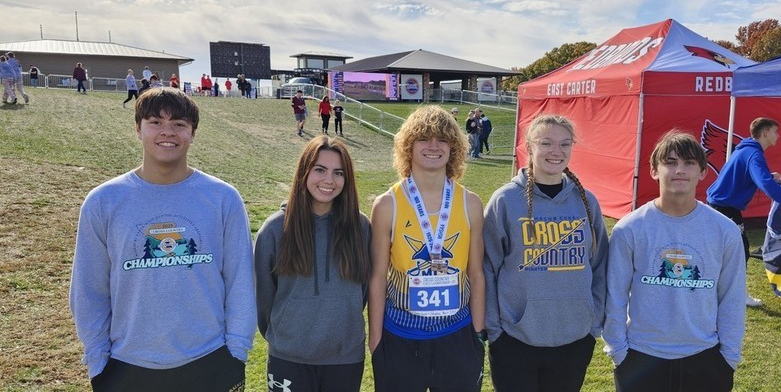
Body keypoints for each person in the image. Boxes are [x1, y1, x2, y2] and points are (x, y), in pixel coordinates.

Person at [69, 87, 256, 391]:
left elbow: (241, 282)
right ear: (138, 129)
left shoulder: (223, 198)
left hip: (210, 361)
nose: (167, 132)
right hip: (127, 366)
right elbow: (88, 291)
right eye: (155, 122)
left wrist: (235, 352)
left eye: (179, 124)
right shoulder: (103, 201)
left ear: (192, 133)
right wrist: (97, 361)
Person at [604, 130, 746, 392]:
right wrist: (618, 352)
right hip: (640, 356)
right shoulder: (629, 229)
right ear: (654, 170)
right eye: (670, 162)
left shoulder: (725, 231)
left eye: (689, 163)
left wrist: (729, 357)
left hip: (706, 357)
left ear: (703, 172)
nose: (679, 170)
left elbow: (732, 297)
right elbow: (615, 296)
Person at [483, 114, 608, 392]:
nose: (557, 152)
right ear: (529, 147)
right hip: (515, 338)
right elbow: (487, 267)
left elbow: (600, 265)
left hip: (574, 337)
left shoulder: (587, 201)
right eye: (546, 143)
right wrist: (495, 329)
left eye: (565, 144)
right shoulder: (505, 200)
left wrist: (592, 323)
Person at [368, 105, 486, 392]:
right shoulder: (387, 205)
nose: (434, 146)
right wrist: (376, 341)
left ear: (453, 148)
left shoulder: (470, 203)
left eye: (442, 139)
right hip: (400, 337)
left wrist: (477, 333)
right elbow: (377, 277)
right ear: (408, 147)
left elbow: (477, 273)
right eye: (424, 138)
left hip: (457, 335)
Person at [254, 135, 371, 392]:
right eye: (320, 170)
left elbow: (361, 292)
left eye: (338, 173)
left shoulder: (360, 227)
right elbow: (264, 296)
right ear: (304, 172)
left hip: (345, 358)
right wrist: (286, 331)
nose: (329, 180)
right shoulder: (275, 229)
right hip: (289, 358)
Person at [706, 117, 781, 307]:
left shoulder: (747, 150)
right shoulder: (753, 154)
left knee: (729, 251)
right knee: (740, 251)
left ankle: (719, 291)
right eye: (775, 131)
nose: (778, 135)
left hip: (720, 206)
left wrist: (769, 176)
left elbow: (758, 177)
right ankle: (736, 295)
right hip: (724, 208)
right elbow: (766, 185)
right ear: (765, 133)